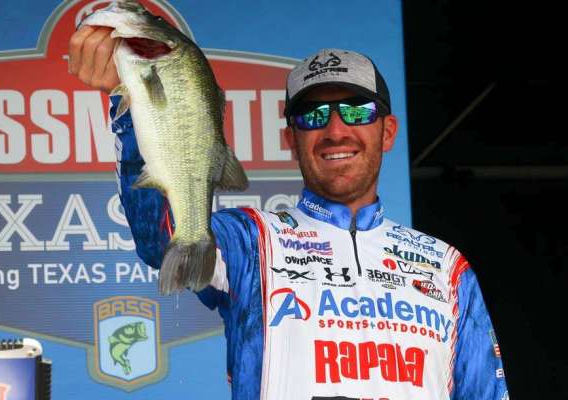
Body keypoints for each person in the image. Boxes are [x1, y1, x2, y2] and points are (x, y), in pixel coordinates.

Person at [69, 26, 509, 400]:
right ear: (290, 139)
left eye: (357, 111)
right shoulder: (249, 241)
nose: (335, 130)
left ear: (387, 131)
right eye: (313, 116)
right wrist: (130, 99)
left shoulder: (446, 268)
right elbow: (160, 237)